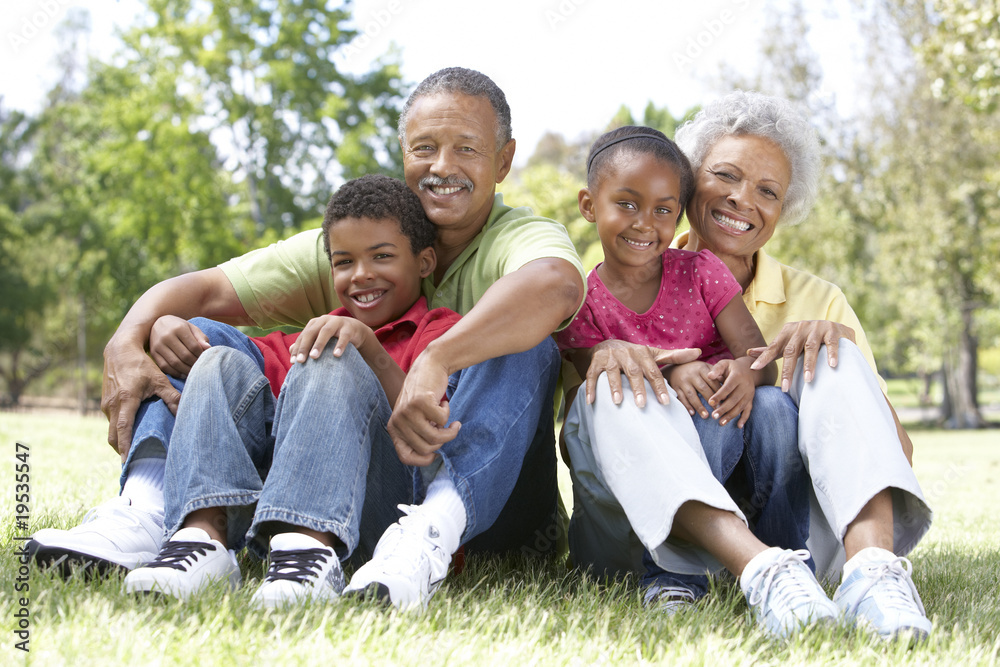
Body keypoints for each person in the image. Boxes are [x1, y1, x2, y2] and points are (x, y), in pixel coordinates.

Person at [29, 68, 593, 609]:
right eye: (424, 147)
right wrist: (129, 337)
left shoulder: (519, 236)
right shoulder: (359, 239)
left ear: (504, 160)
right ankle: (154, 510)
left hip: (477, 501)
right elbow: (199, 293)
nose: (442, 165)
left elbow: (556, 286)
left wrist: (437, 359)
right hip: (364, 481)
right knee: (195, 336)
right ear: (404, 156)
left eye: (466, 148)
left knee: (526, 343)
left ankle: (427, 534)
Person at [571, 91, 932, 640]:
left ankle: (871, 574)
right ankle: (712, 569)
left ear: (783, 210)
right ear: (689, 181)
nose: (743, 200)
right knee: (614, 373)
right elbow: (575, 422)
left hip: (788, 527)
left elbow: (894, 451)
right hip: (646, 526)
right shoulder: (593, 289)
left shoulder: (819, 298)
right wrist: (629, 363)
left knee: (825, 352)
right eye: (726, 176)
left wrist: (785, 366)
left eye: (768, 191)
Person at [123, 174, 461, 605]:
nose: (361, 275)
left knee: (332, 355)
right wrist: (168, 324)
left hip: (383, 513)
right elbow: (236, 374)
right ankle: (203, 538)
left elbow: (434, 443)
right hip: (268, 512)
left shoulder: (441, 336)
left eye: (382, 256)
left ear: (425, 262)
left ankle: (309, 549)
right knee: (216, 359)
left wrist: (368, 347)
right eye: (343, 262)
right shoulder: (309, 337)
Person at [560, 126, 837, 638]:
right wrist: (672, 371)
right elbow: (594, 400)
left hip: (736, 427)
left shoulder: (701, 270)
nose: (646, 224)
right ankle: (674, 574)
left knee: (775, 406)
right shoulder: (582, 300)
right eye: (627, 204)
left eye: (664, 210)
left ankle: (788, 562)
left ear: (680, 212)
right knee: (703, 415)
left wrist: (743, 371)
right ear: (588, 205)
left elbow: (761, 360)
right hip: (668, 451)